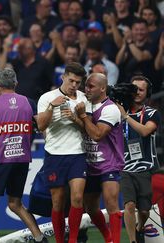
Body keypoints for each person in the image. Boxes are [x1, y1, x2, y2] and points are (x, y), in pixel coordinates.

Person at [0, 68, 47, 243]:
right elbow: (41, 127)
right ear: (16, 83)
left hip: (1, 159)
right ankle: (39, 238)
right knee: (15, 203)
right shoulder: (29, 103)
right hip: (22, 159)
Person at [36, 62, 87, 243]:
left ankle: (72, 239)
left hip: (77, 153)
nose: (74, 85)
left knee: (78, 197)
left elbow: (87, 130)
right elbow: (40, 126)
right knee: (57, 201)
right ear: (63, 77)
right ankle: (59, 240)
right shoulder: (47, 98)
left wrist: (75, 118)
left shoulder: (83, 99)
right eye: (71, 80)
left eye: (78, 82)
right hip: (54, 154)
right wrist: (52, 106)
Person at [75, 73, 125, 243]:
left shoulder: (110, 109)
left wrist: (81, 117)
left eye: (91, 86)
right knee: (90, 207)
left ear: (103, 88)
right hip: (90, 165)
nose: (87, 89)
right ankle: (108, 237)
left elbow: (97, 134)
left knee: (111, 204)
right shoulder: (87, 106)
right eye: (86, 86)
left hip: (109, 164)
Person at [117, 75, 161, 243]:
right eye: (134, 89)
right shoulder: (118, 111)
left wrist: (125, 117)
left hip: (146, 168)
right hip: (125, 167)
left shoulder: (152, 113)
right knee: (129, 205)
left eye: (141, 90)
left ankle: (139, 228)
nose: (137, 93)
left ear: (147, 93)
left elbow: (144, 131)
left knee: (144, 211)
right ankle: (132, 240)